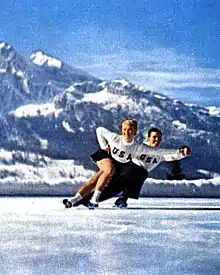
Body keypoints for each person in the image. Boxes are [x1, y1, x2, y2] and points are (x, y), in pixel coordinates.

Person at [63, 126, 191, 209]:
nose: (156, 140)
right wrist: (105, 146)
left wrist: (182, 153)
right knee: (105, 183)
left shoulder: (159, 153)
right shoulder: (141, 147)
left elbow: (170, 155)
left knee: (115, 187)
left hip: (135, 175)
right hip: (127, 169)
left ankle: (112, 200)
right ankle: (80, 200)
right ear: (148, 138)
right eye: (154, 137)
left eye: (158, 138)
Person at [63, 119, 148, 208]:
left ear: (135, 132)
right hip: (105, 156)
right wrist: (104, 146)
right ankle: (94, 200)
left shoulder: (137, 147)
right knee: (109, 170)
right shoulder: (115, 138)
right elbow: (99, 130)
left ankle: (73, 200)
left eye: (130, 130)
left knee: (96, 179)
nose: (127, 132)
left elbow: (155, 151)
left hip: (115, 163)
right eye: (124, 129)